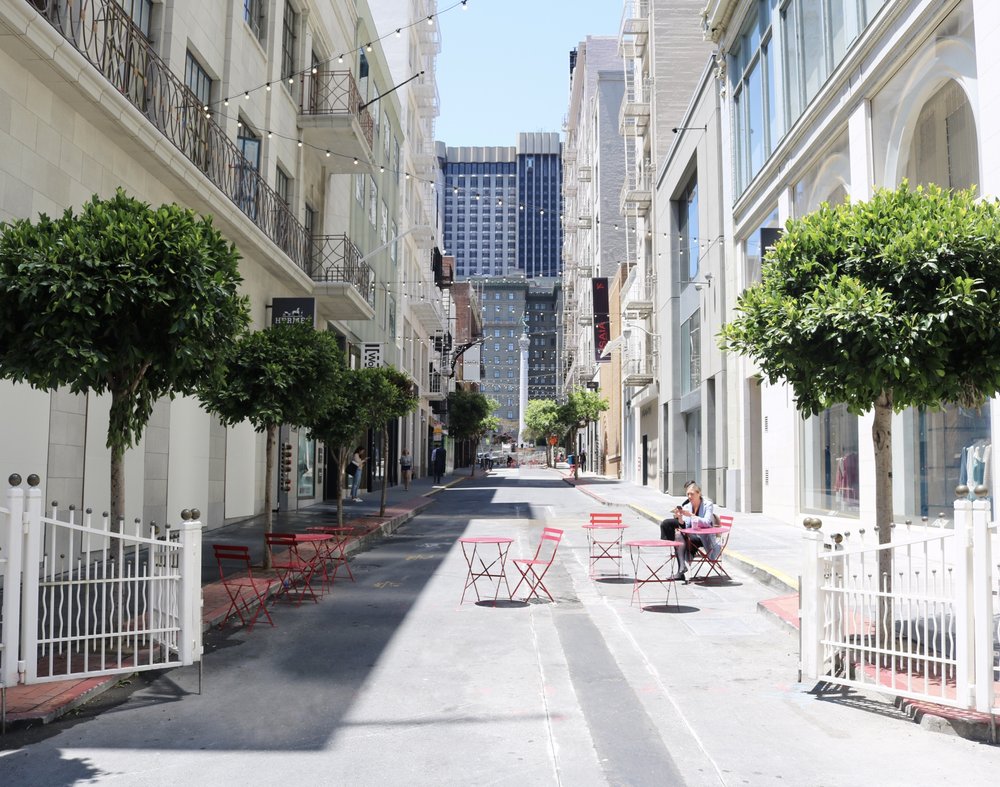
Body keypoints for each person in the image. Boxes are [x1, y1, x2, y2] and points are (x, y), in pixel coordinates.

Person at [658, 481, 719, 581]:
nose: (689, 496)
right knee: (678, 534)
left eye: (692, 494)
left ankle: (681, 570)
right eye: (688, 494)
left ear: (699, 493)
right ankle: (682, 567)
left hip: (702, 537)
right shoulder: (687, 506)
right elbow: (685, 525)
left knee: (679, 539)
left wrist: (691, 515)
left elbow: (707, 522)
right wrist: (680, 517)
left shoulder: (708, 504)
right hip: (690, 536)